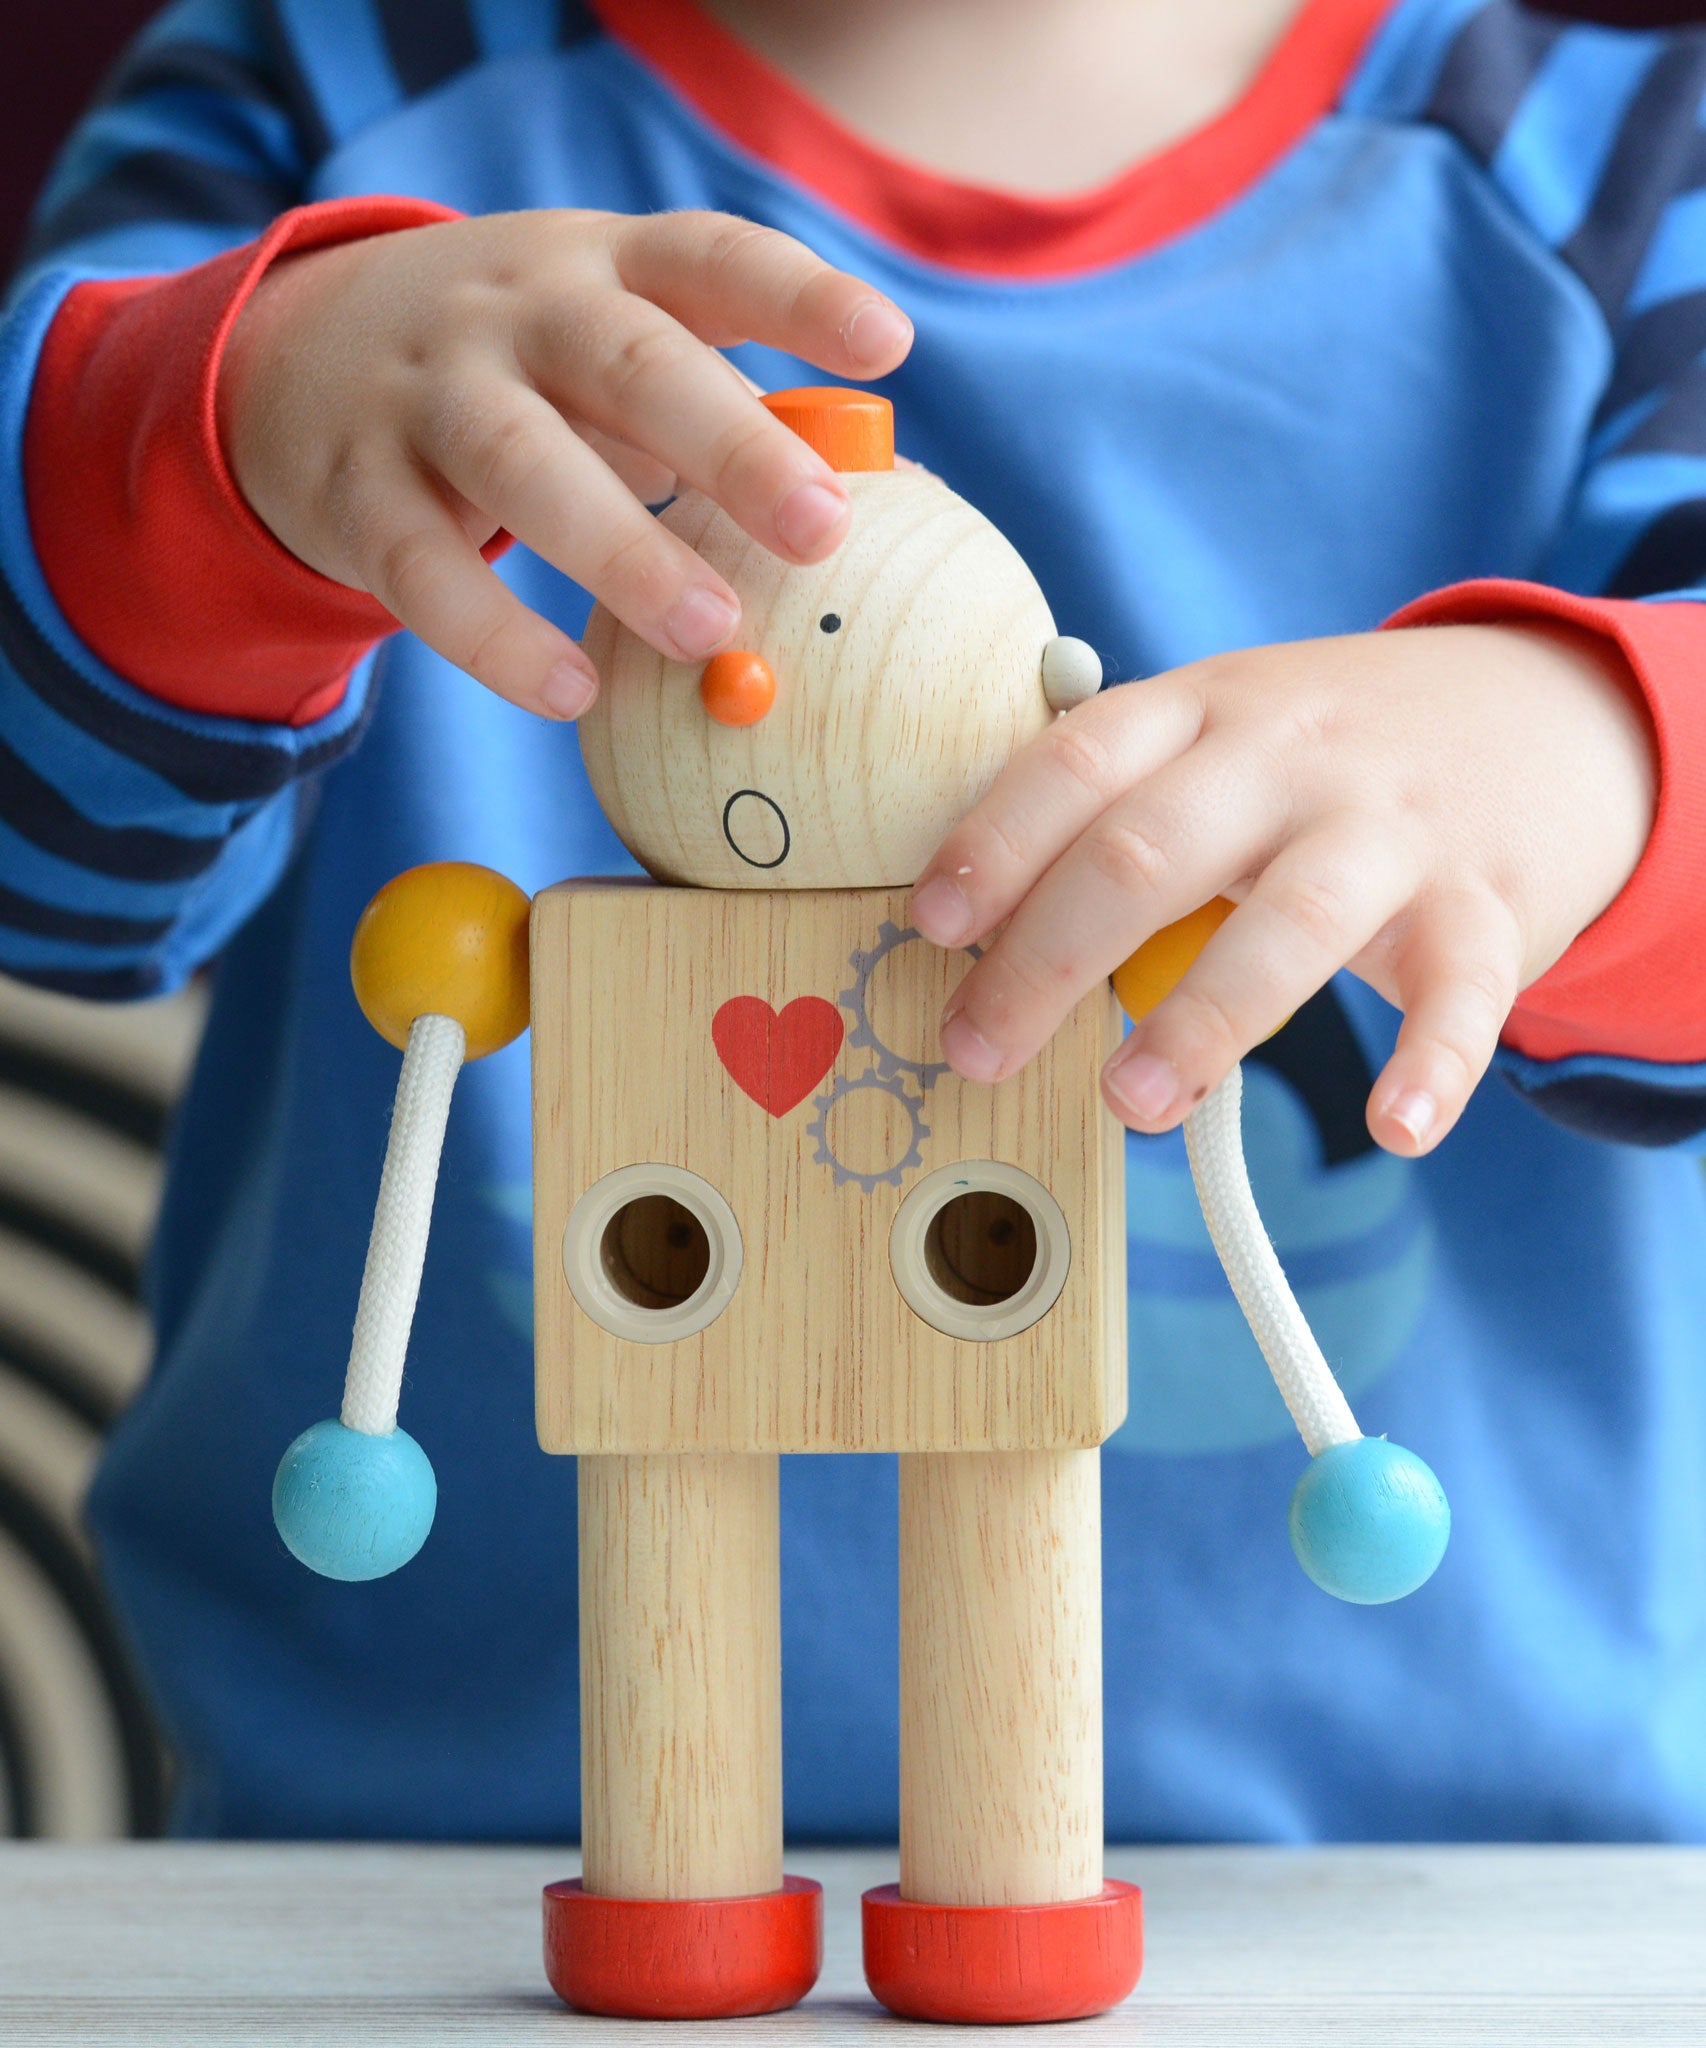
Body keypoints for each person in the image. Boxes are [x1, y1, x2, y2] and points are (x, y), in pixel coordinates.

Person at [2, 0, 1703, 1843]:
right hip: (416, 1883)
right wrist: (209, 438)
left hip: (1467, 1902)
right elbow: (57, 881)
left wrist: (1607, 739)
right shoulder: (313, 83)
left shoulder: (1623, 168)